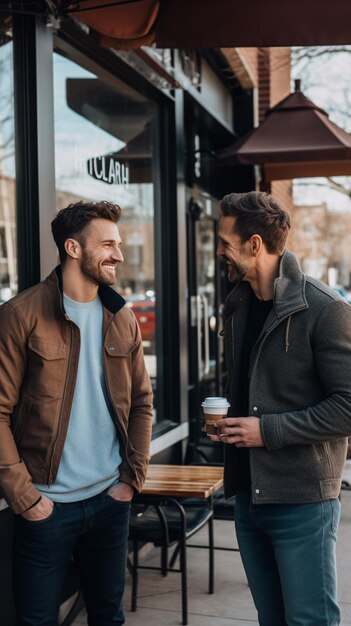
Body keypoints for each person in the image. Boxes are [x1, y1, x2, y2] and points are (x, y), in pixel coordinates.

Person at [0, 200, 153, 625]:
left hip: (109, 500)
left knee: (108, 617)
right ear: (72, 247)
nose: (119, 254)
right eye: (107, 244)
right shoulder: (20, 315)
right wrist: (25, 497)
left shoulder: (122, 317)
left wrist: (131, 477)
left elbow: (142, 402)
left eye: (118, 244)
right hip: (45, 506)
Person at [212, 191, 351, 626]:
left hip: (303, 501)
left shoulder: (325, 309)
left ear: (255, 245)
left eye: (224, 242)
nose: (219, 251)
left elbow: (348, 407)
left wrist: (265, 430)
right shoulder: (237, 306)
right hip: (249, 498)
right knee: (271, 618)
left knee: (310, 620)